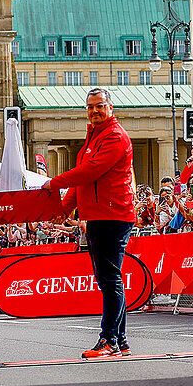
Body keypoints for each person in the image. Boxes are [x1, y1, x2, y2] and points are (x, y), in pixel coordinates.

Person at [46, 88, 136, 359]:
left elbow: (89, 171)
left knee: (109, 279)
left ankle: (109, 339)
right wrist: (63, 208)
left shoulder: (115, 136)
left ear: (110, 107)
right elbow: (84, 180)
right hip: (99, 214)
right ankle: (119, 340)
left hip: (112, 214)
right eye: (90, 107)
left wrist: (54, 182)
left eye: (99, 106)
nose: (94, 111)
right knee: (109, 279)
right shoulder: (94, 137)